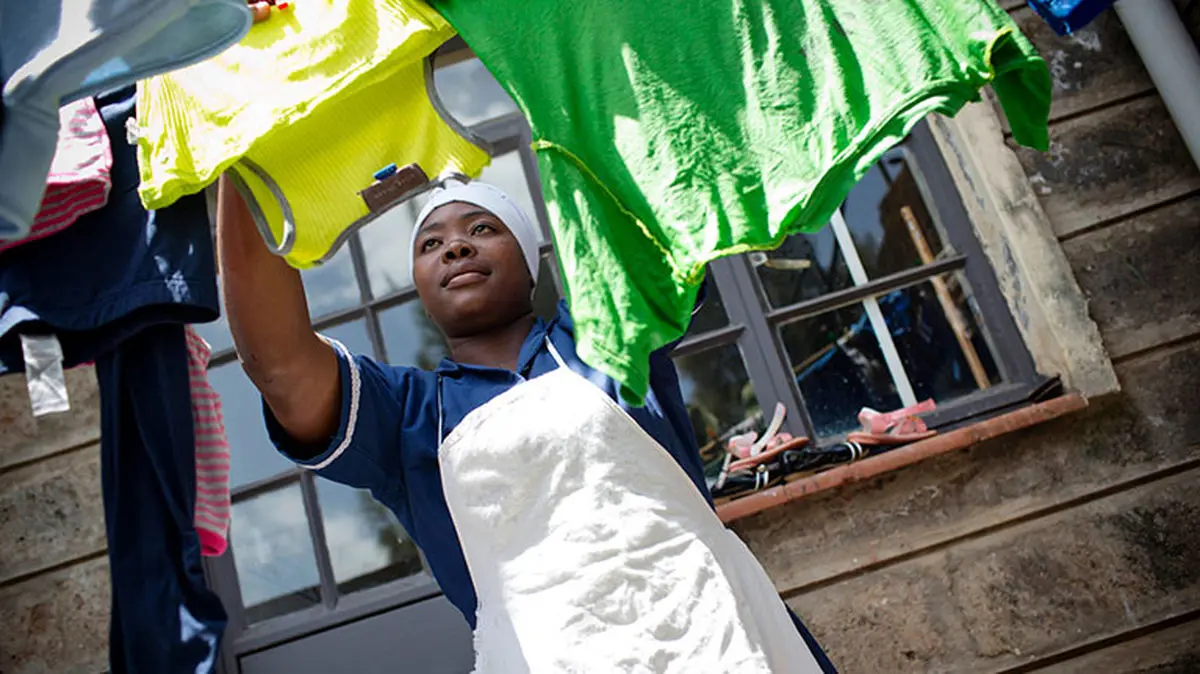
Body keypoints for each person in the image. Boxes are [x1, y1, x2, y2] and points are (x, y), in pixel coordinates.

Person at [217, 174, 836, 672]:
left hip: (719, 631)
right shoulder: (405, 416)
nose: (455, 247)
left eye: (481, 229)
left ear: (532, 258)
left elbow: (662, 192)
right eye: (430, 244)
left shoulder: (604, 332)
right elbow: (278, 364)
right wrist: (241, 157)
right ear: (418, 285)